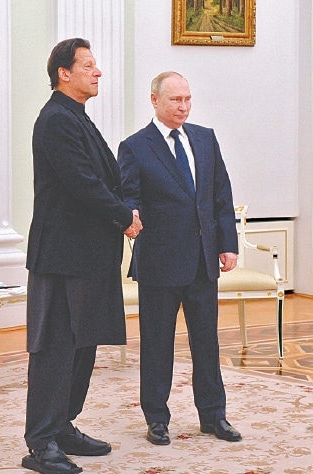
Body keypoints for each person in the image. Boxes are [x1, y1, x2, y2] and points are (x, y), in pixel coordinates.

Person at [22, 38, 142, 474]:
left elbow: (104, 177)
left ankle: (63, 426)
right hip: (61, 258)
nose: (98, 72)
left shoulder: (78, 118)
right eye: (88, 65)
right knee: (55, 349)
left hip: (88, 257)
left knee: (82, 346)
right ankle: (41, 443)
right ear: (63, 74)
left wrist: (126, 207)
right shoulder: (55, 119)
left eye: (97, 65)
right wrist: (123, 216)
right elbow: (83, 183)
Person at [118, 71, 241, 446]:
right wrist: (129, 217)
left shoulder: (205, 138)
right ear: (155, 100)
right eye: (175, 100)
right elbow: (128, 195)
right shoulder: (135, 146)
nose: (183, 107)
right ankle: (156, 418)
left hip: (203, 260)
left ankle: (214, 416)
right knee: (157, 344)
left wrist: (228, 243)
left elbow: (220, 193)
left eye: (187, 99)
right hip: (159, 261)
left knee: (207, 343)